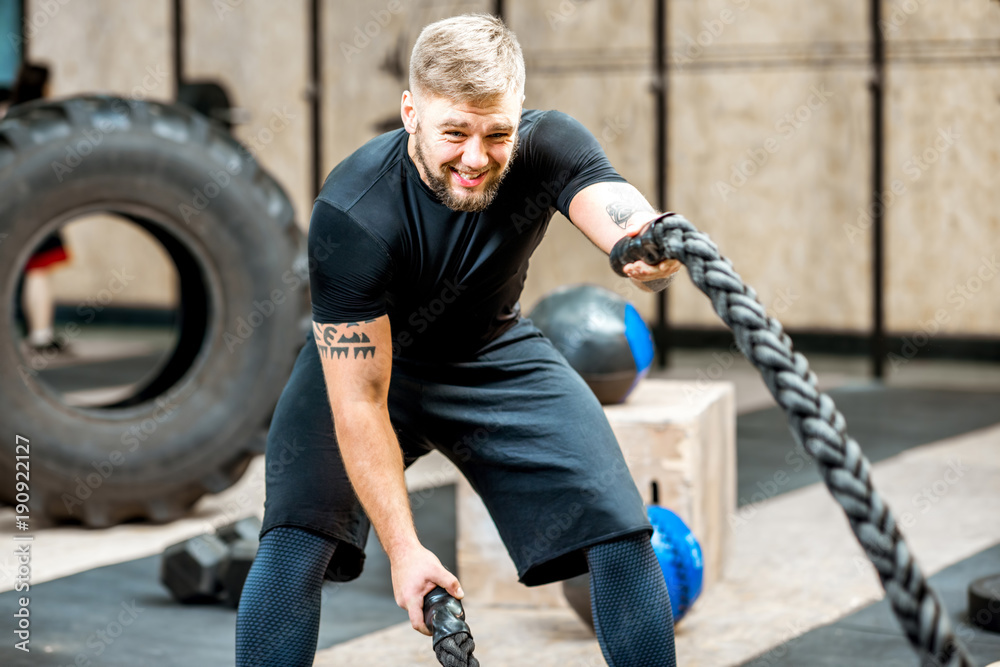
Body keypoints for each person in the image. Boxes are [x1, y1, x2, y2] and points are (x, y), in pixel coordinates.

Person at [235, 14, 682, 667]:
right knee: (297, 538)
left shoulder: (549, 144)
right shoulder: (354, 210)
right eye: (455, 133)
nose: (476, 158)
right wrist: (406, 549)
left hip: (492, 354)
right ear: (410, 111)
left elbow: (619, 211)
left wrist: (649, 247)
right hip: (366, 370)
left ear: (518, 114)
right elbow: (360, 406)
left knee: (619, 531)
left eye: (496, 133)